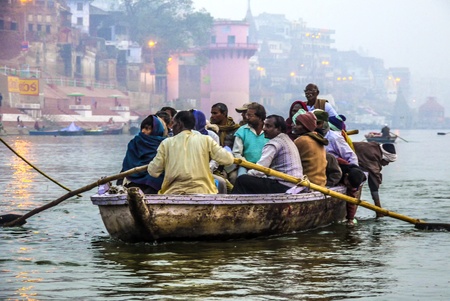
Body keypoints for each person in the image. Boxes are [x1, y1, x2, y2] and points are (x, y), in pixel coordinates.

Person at [147, 110, 234, 194]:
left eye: (173, 123)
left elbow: (153, 171)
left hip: (173, 193)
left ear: (180, 124)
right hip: (203, 191)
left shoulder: (166, 143)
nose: (172, 127)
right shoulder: (206, 140)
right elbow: (228, 160)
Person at [231, 115, 303, 194]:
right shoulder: (287, 140)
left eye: (268, 126)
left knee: (242, 180)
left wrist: (247, 175)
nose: (264, 128)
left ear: (278, 129)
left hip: (283, 185)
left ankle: (233, 206)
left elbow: (259, 171)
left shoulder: (274, 143)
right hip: (294, 184)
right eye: (264, 125)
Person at [119, 115, 168, 194]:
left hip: (155, 177)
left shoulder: (165, 144)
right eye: (142, 128)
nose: (143, 131)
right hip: (134, 177)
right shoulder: (135, 142)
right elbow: (129, 162)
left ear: (155, 130)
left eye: (147, 129)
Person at [353, 142, 397, 217]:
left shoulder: (374, 147)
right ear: (384, 157)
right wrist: (378, 209)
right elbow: (374, 178)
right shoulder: (373, 155)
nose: (387, 164)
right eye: (387, 161)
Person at [191, 109, 228, 194]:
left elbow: (216, 157)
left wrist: (208, 168)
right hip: (188, 172)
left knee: (222, 183)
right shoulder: (184, 137)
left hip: (207, 170)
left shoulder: (211, 136)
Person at [292, 111, 328, 187]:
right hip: (321, 183)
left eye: (298, 124)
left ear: (306, 126)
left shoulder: (301, 140)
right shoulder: (318, 138)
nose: (294, 126)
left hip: (308, 184)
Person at [233, 102, 269, 176]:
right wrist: (248, 165)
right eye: (247, 115)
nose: (247, 117)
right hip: (246, 166)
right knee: (242, 178)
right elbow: (236, 153)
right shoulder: (242, 130)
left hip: (266, 167)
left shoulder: (269, 131)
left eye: (250, 115)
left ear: (260, 117)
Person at [210, 102, 240, 184]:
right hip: (215, 164)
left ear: (224, 113)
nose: (212, 116)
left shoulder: (235, 129)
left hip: (231, 164)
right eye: (212, 113)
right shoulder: (211, 130)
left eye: (215, 113)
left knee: (234, 178)